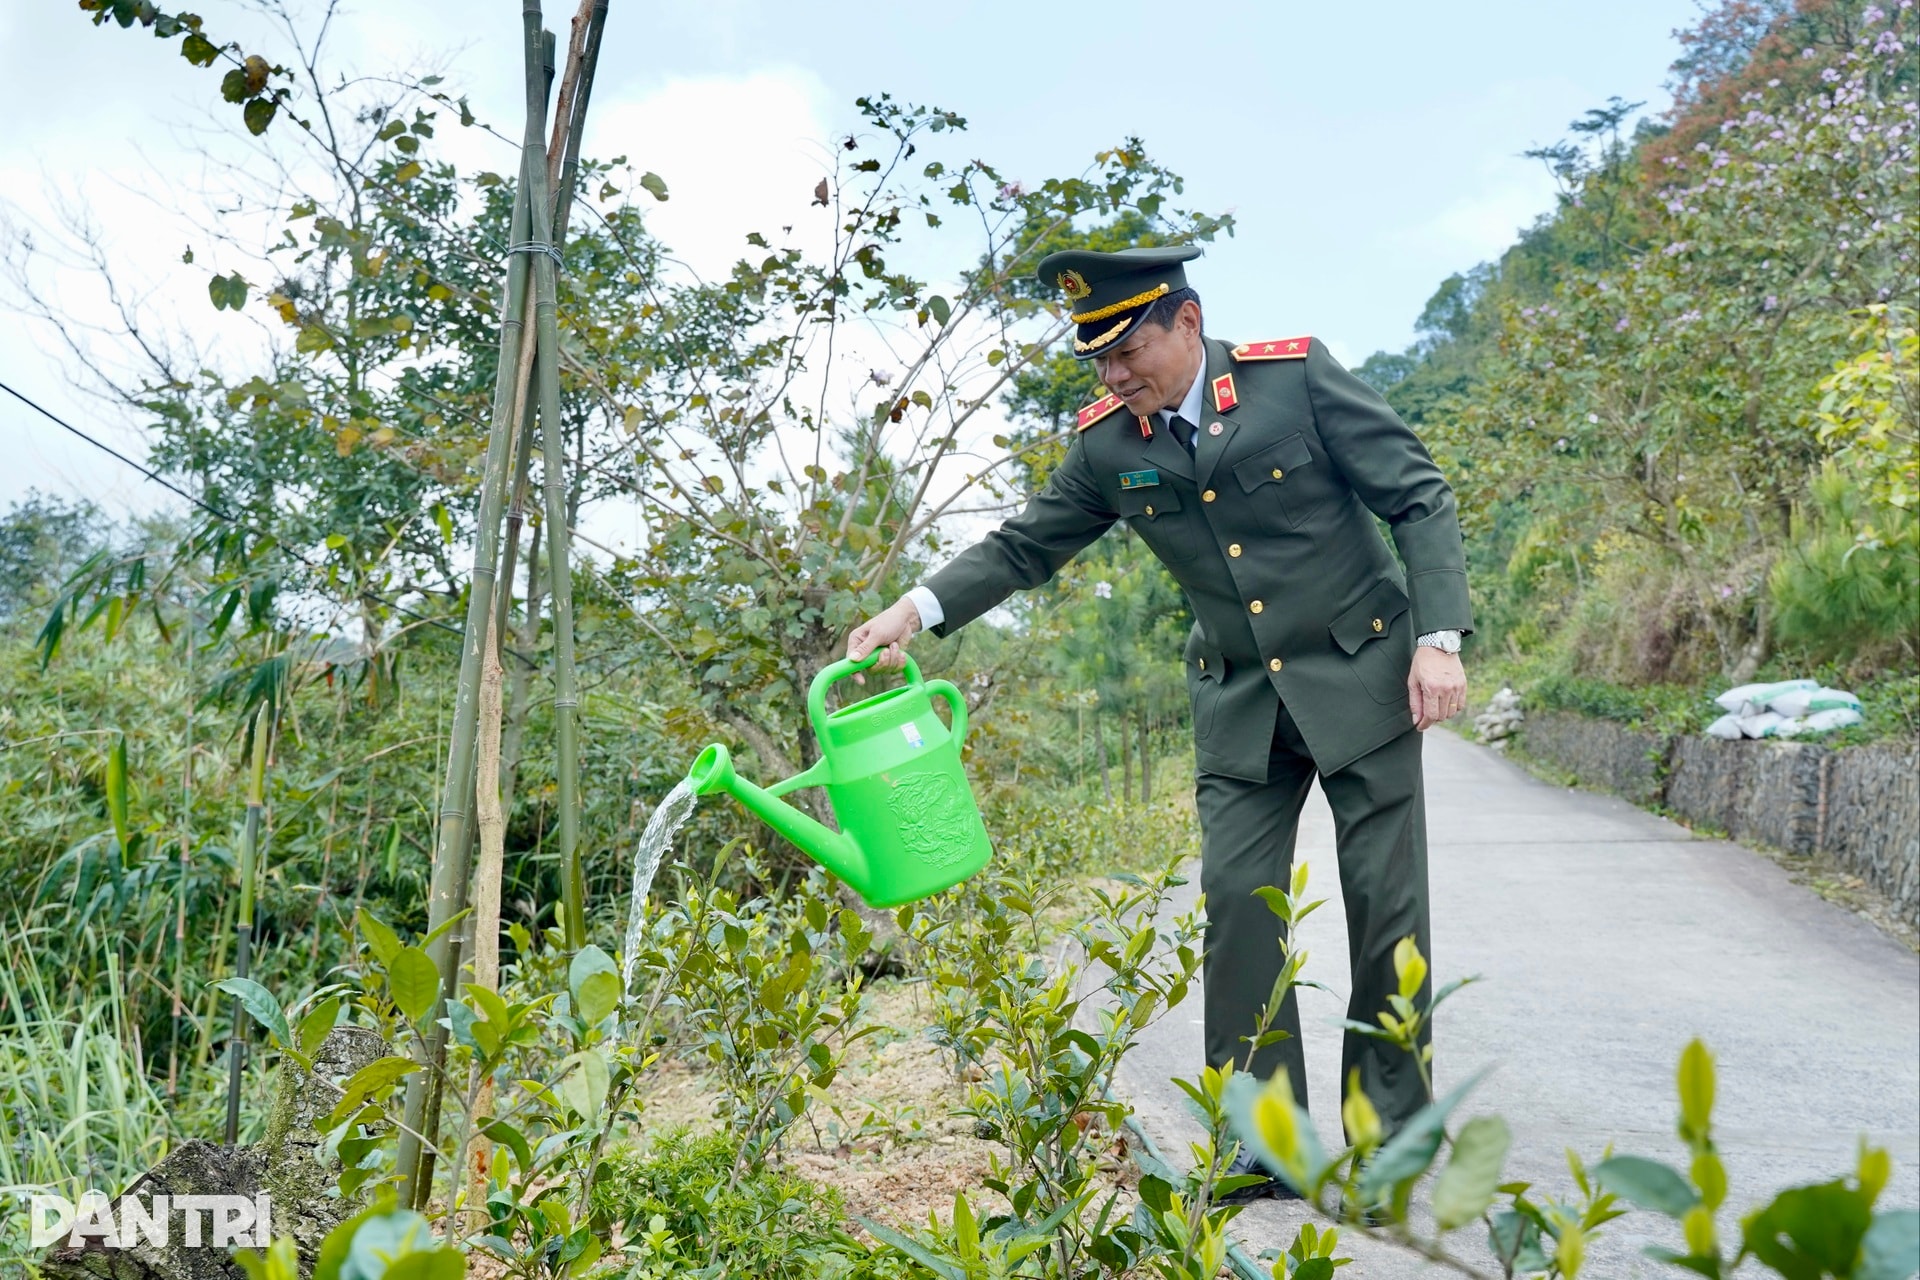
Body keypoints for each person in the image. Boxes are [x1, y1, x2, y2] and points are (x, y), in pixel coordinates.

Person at [845, 246, 1472, 1200]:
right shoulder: (1108, 445)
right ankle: (1263, 1144)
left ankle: (1388, 1138)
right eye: (1098, 360)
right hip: (1240, 702)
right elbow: (1022, 546)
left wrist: (1439, 639)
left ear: (1187, 321)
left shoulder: (1292, 379)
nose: (1113, 375)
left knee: (1387, 910)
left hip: (1363, 677)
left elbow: (1418, 495)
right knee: (1237, 909)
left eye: (1128, 350)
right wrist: (912, 611)